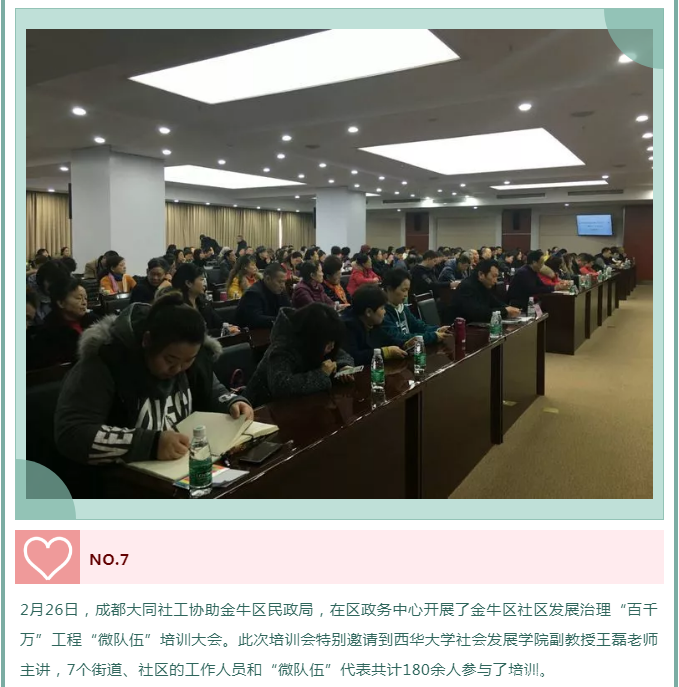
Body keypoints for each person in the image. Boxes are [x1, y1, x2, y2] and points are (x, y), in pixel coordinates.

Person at [54, 293, 253, 466]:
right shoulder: (105, 362)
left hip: (182, 469)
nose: (178, 369)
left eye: (188, 361)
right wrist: (150, 444)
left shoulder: (193, 355)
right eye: (170, 360)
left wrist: (231, 403)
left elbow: (212, 388)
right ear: (147, 341)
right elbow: (71, 433)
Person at [244, 303, 355, 407]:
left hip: (304, 404)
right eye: (328, 342)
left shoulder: (318, 340)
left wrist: (343, 367)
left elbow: (343, 356)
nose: (332, 346)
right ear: (313, 338)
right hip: (259, 408)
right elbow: (281, 387)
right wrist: (321, 374)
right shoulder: (282, 348)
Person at [27, 276, 100, 370]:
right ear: (61, 303)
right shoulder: (48, 333)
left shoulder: (95, 321)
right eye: (78, 298)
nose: (84, 303)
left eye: (85, 298)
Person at [374, 268, 450, 347]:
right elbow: (398, 337)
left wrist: (437, 330)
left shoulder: (402, 308)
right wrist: (433, 336)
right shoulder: (381, 312)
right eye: (403, 290)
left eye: (408, 290)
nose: (406, 295)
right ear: (389, 289)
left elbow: (417, 326)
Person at [341, 285, 408, 366]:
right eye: (382, 308)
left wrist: (406, 344)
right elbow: (354, 357)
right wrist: (386, 352)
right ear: (368, 312)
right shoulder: (347, 326)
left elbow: (388, 340)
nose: (385, 312)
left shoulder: (372, 322)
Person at [172, 262, 238, 333]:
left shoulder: (203, 302)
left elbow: (218, 322)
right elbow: (196, 334)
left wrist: (228, 327)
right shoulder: (179, 309)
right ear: (189, 283)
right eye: (201, 279)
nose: (204, 283)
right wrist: (224, 331)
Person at [451, 259, 521, 323]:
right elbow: (478, 313)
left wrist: (509, 308)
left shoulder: (483, 284)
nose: (496, 281)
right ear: (481, 274)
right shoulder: (467, 286)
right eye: (493, 276)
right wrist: (505, 311)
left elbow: (494, 302)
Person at [235, 263, 291, 329]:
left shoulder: (280, 291)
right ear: (268, 279)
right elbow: (256, 320)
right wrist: (282, 320)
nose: (283, 286)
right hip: (249, 333)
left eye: (284, 282)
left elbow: (288, 310)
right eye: (280, 282)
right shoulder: (253, 294)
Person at [31, 259, 69, 324]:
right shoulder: (30, 291)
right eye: (51, 281)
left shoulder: (67, 293)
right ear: (42, 279)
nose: (54, 286)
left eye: (58, 283)